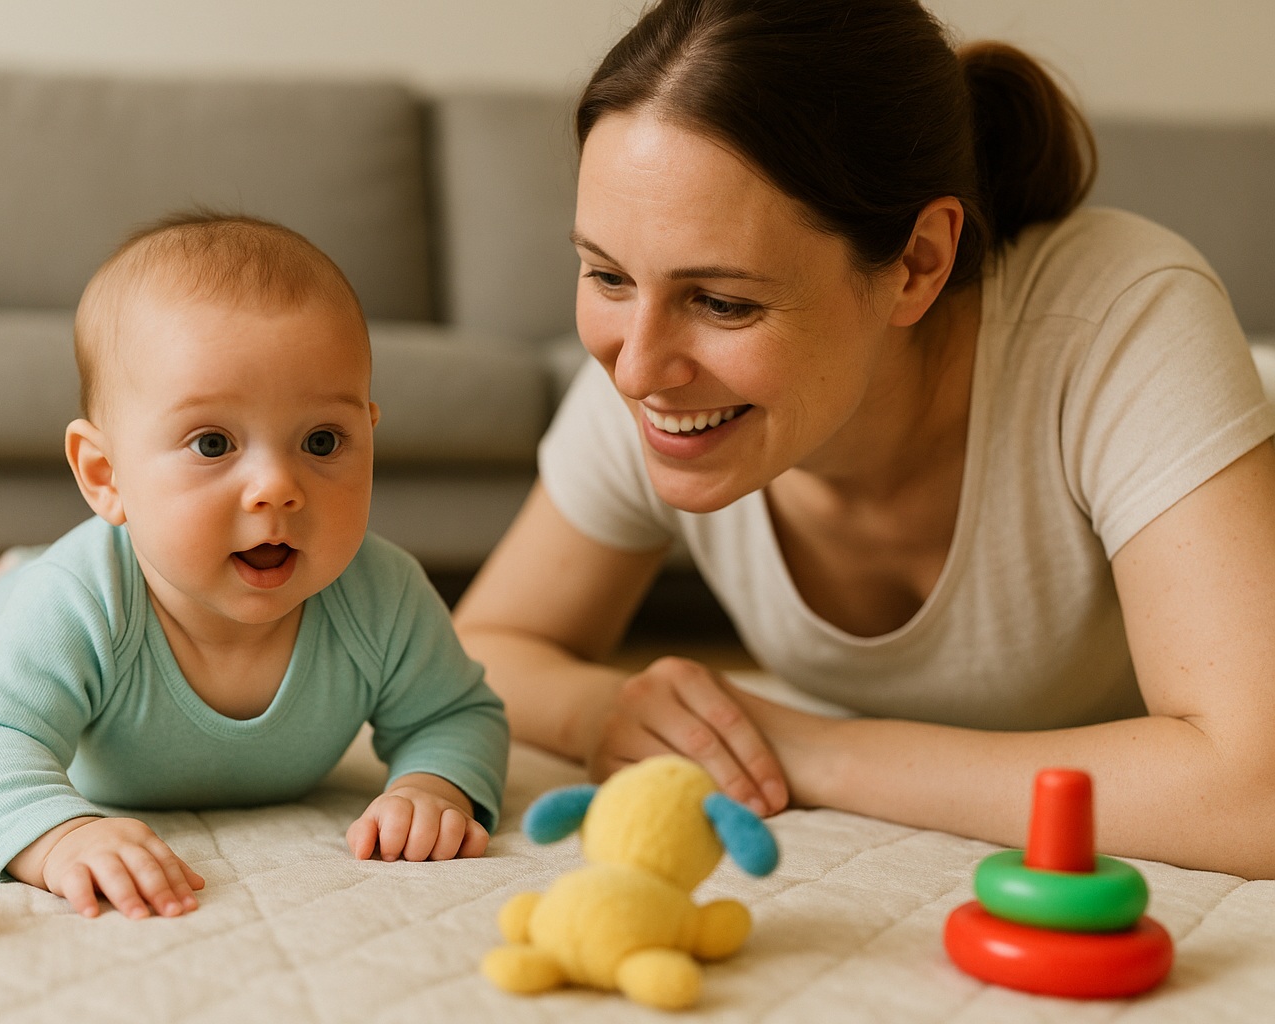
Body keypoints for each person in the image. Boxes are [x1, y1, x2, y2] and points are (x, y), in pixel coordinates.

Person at [451, 0, 1275, 880]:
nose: (637, 370)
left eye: (724, 302)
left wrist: (814, 752)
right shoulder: (659, 374)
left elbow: (1255, 791)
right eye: (606, 274)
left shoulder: (1121, 320)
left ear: (918, 263)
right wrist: (616, 711)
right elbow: (485, 648)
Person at [0, 213, 509, 920]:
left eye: (322, 440)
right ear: (106, 475)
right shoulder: (76, 601)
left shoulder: (383, 595)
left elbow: (458, 714)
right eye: (213, 443)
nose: (276, 487)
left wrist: (434, 788)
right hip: (30, 603)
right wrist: (60, 835)